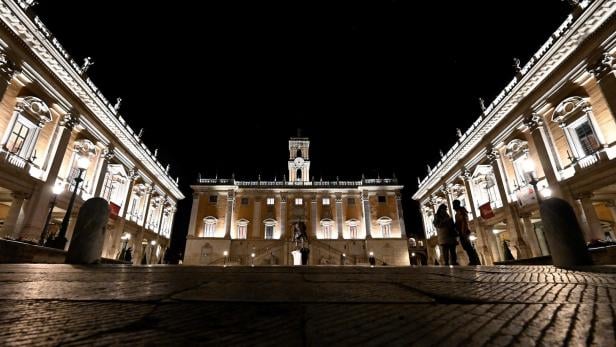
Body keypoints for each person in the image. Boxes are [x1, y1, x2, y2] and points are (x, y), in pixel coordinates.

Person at [452, 199, 481, 265]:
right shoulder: (458, 213)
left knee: (468, 246)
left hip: (464, 232)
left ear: (456, 205)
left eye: (454, 205)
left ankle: (473, 260)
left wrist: (463, 232)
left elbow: (464, 222)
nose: (453, 207)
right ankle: (473, 260)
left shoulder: (461, 211)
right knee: (466, 247)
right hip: (462, 232)